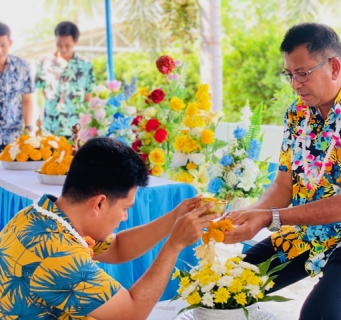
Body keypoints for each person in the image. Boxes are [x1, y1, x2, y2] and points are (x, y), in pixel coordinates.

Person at [223, 23, 341, 320]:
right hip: (308, 232)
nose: (295, 84)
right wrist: (251, 214)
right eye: (289, 75)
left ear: (334, 67)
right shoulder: (298, 113)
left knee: (320, 314)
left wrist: (268, 218)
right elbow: (283, 186)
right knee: (227, 283)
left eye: (302, 73)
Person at [0, 137, 218, 319]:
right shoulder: (58, 253)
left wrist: (174, 218)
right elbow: (131, 314)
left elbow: (118, 248)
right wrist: (174, 245)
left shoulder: (40, 214)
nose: (125, 217)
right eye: (125, 208)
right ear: (100, 203)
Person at [36, 21, 95, 137]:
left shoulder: (86, 65)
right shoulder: (44, 62)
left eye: (67, 45)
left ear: (75, 42)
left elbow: (88, 96)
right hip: (51, 126)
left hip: (76, 127)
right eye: (59, 44)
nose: (63, 49)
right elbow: (42, 91)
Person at [0, 22, 34, 151]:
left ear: (10, 43)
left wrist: (28, 127)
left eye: (3, 45)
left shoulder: (22, 66)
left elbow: (27, 100)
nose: (0, 51)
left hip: (14, 137)